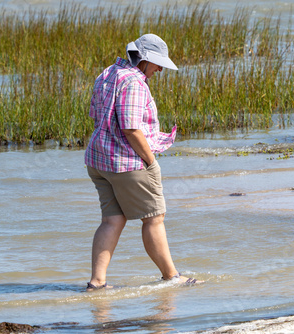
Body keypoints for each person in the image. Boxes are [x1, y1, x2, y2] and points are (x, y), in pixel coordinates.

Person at [84, 33, 199, 290]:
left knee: (112, 220)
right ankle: (172, 277)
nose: (160, 68)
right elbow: (131, 129)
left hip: (98, 160)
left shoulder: (108, 73)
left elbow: (94, 113)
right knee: (154, 218)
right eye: (158, 63)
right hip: (127, 163)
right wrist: (151, 162)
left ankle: (97, 282)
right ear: (144, 59)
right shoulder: (135, 82)